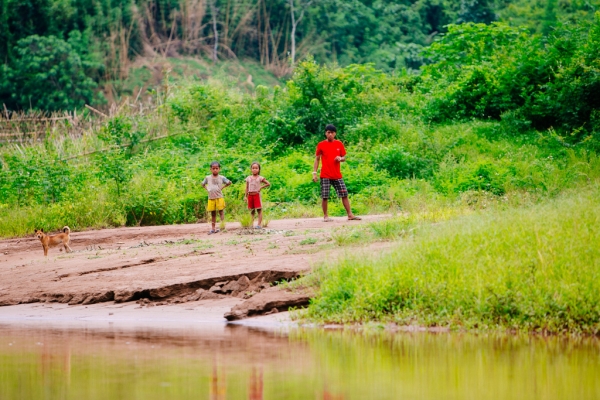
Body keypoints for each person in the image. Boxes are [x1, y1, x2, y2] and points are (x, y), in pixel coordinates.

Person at [313, 124, 361, 222]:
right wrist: (314, 173)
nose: (330, 134)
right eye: (328, 132)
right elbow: (317, 159)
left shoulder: (339, 144)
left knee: (344, 194)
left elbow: (344, 158)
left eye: (332, 132)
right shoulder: (321, 144)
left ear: (335, 133)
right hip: (325, 174)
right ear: (325, 133)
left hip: (337, 175)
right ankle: (325, 216)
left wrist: (340, 158)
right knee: (325, 196)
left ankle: (350, 215)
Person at [202, 161, 232, 234]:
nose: (215, 170)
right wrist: (208, 189)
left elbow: (229, 182)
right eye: (213, 168)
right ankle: (213, 228)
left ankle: (222, 227)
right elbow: (202, 184)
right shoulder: (208, 177)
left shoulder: (221, 177)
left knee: (221, 212)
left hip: (219, 197)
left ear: (219, 169)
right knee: (213, 213)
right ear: (210, 169)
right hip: (211, 197)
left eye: (216, 168)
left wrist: (222, 187)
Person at [245, 162, 271, 229]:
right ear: (251, 169)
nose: (254, 169)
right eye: (253, 168)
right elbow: (247, 187)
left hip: (256, 195)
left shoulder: (260, 178)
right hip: (250, 195)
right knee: (252, 211)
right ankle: (251, 224)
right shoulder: (248, 178)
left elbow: (268, 183)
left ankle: (259, 224)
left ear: (259, 169)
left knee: (259, 210)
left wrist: (261, 187)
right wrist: (245, 196)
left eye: (256, 168)